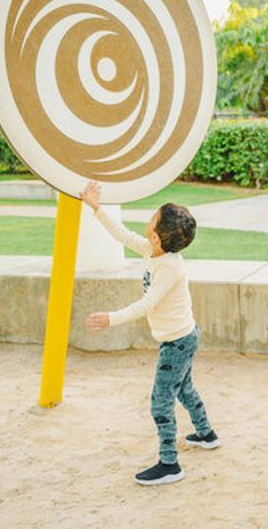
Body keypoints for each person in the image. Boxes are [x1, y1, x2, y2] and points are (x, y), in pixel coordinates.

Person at [80, 182, 219, 486]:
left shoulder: (170, 267)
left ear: (156, 236)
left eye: (152, 217)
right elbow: (122, 234)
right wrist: (96, 207)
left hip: (178, 343)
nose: (148, 221)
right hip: (182, 337)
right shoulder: (152, 250)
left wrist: (110, 319)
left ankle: (170, 464)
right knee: (184, 389)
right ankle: (206, 433)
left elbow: (147, 304)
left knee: (160, 402)